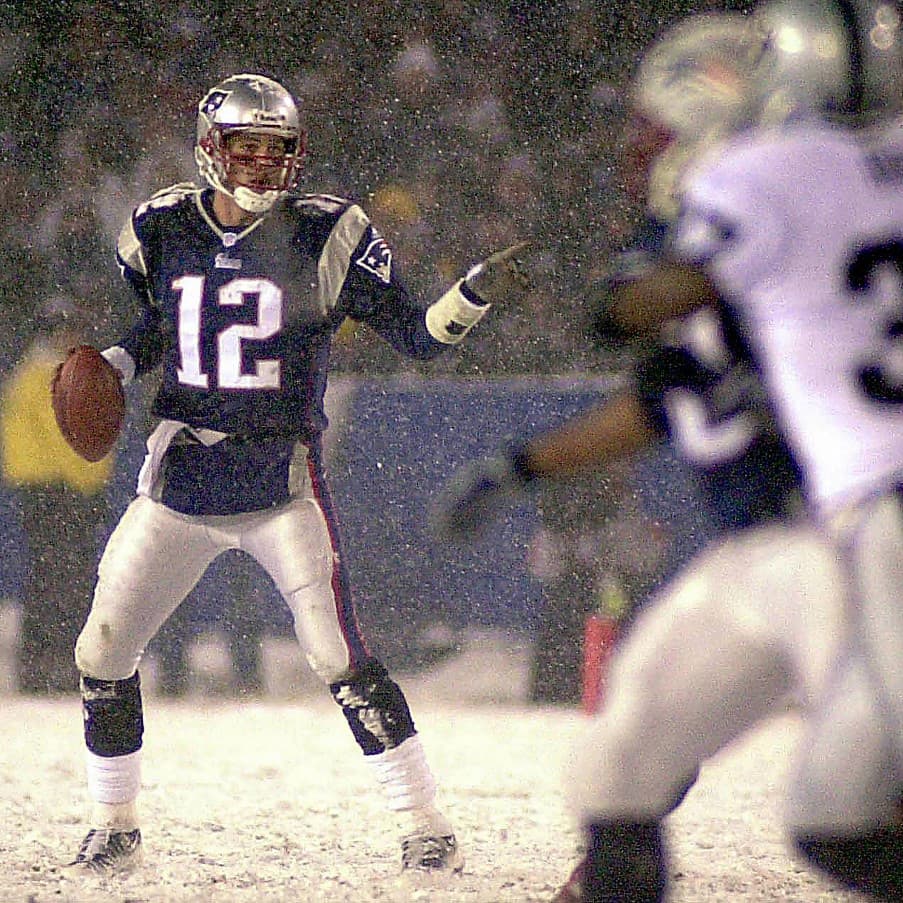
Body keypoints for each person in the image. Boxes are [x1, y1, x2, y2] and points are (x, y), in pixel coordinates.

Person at [435, 1, 903, 898]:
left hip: (836, 539)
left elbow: (636, 316)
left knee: (841, 812)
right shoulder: (808, 222)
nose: (656, 158)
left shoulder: (767, 201)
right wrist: (521, 466)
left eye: (674, 137)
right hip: (764, 555)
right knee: (618, 763)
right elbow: (665, 392)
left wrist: (627, 288)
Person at [64, 72, 530, 876]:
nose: (260, 164)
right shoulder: (160, 225)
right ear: (210, 147)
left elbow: (419, 339)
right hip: (179, 480)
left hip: (278, 478)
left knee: (337, 657)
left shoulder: (327, 230)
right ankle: (116, 820)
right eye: (244, 146)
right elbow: (165, 321)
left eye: (276, 150)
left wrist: (470, 296)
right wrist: (111, 359)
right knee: (101, 651)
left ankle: (427, 822)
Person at [0, 299, 114, 694]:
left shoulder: (38, 373)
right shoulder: (44, 375)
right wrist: (88, 480)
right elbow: (69, 435)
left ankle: (45, 664)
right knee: (60, 578)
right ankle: (48, 663)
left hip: (52, 489)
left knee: (55, 577)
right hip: (53, 490)